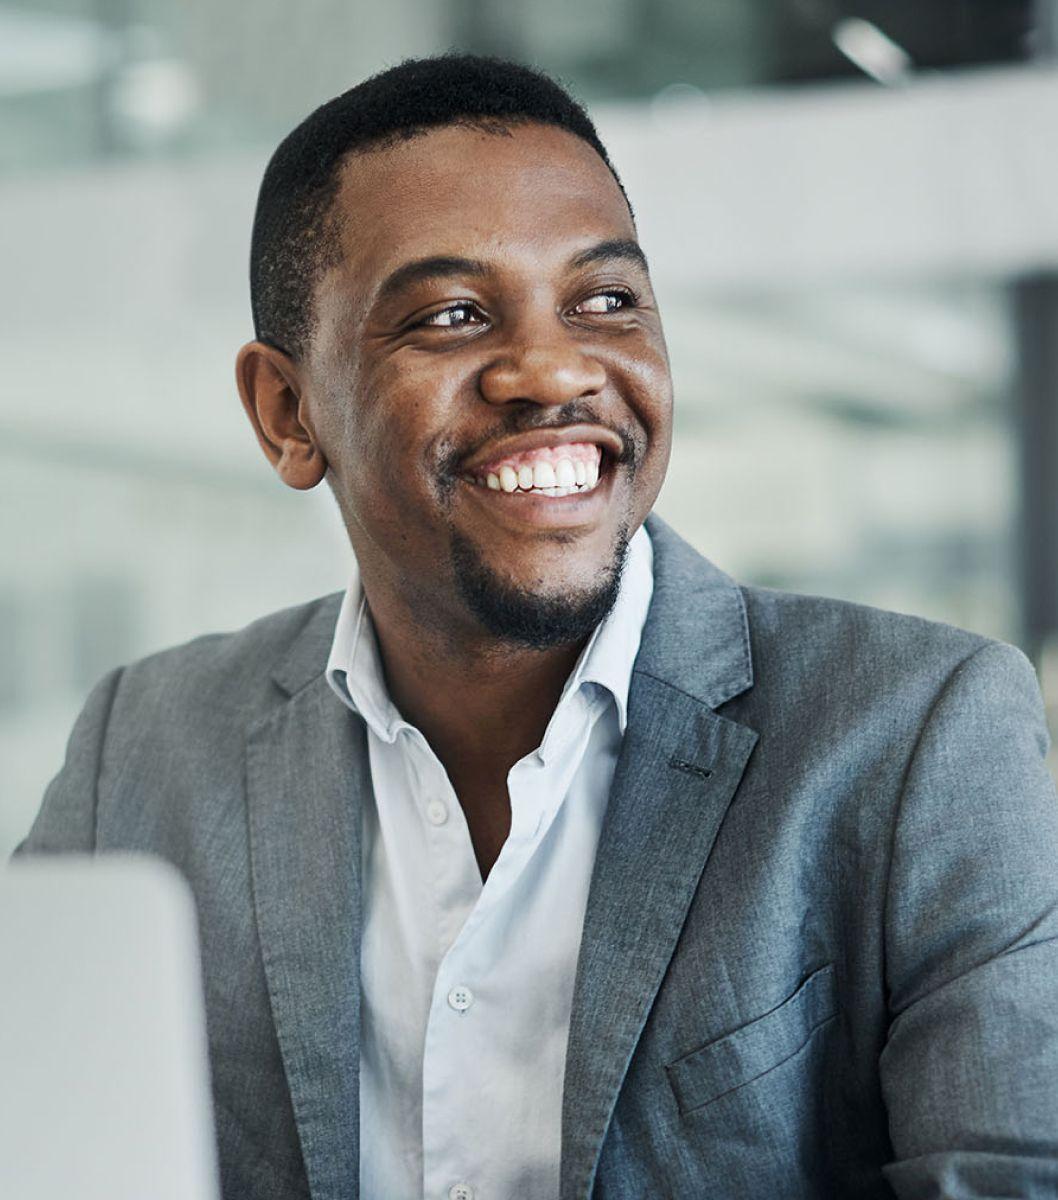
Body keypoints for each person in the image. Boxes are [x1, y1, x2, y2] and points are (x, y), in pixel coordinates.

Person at [16, 53, 1058, 1200]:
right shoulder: (143, 748)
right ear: (286, 411)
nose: (553, 367)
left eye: (604, 300)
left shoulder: (914, 732)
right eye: (452, 315)